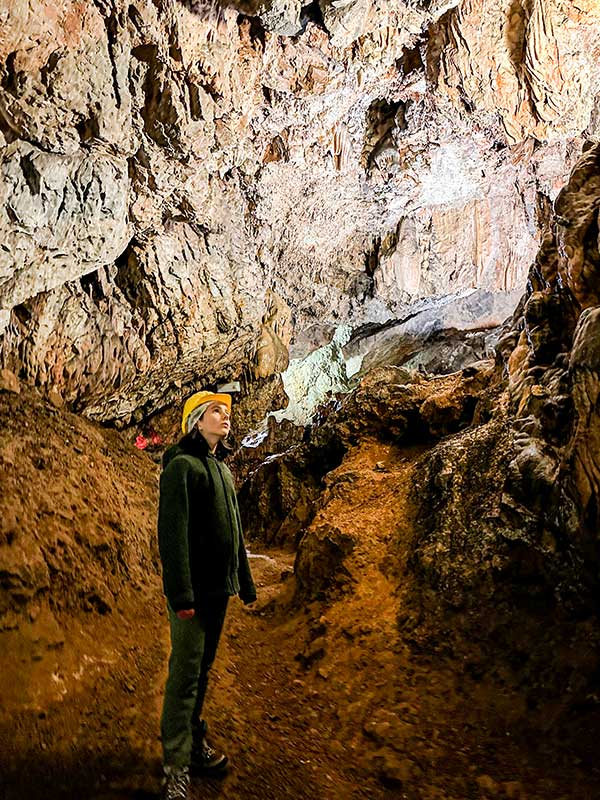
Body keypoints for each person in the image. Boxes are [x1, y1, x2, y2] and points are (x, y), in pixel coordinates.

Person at [157, 390, 257, 800]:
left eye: (226, 410)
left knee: (202, 672)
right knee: (184, 677)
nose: (225, 415)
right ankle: (175, 765)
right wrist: (181, 595)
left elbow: (234, 533)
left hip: (217, 592)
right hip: (193, 595)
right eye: (215, 410)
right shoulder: (181, 468)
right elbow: (173, 536)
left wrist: (243, 580)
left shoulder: (222, 470)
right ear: (197, 421)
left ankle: (194, 746)